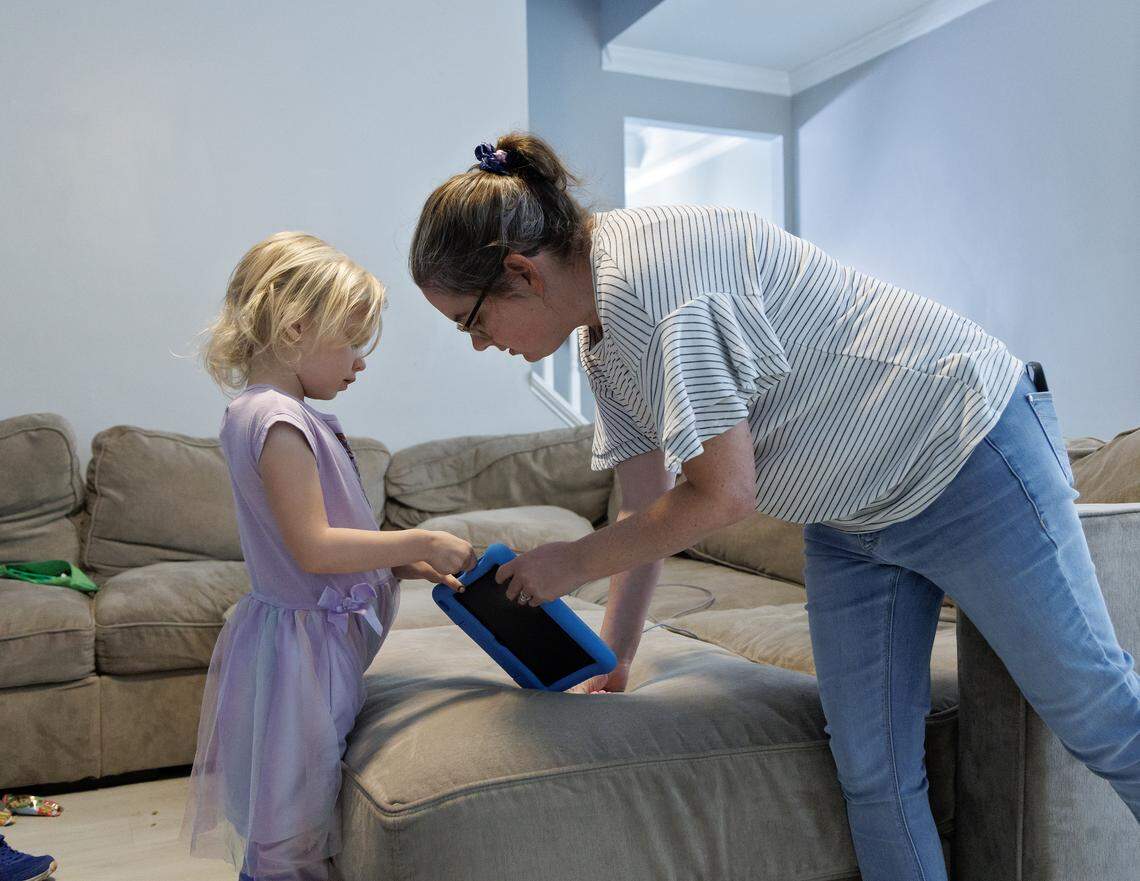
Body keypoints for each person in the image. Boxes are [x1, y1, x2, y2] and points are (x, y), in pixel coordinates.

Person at [409, 134, 1140, 880]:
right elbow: (647, 500)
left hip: (964, 448)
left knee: (1096, 713)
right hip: (851, 518)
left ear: (520, 274)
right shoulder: (601, 342)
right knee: (873, 772)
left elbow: (725, 493)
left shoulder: (658, 286)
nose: (477, 344)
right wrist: (617, 654)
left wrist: (569, 561)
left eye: (470, 322)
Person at [181, 231, 477, 881]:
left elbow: (314, 542)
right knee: (291, 824)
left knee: (300, 803)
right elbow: (314, 547)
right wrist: (419, 540)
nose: (360, 363)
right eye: (351, 343)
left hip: (315, 644)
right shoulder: (277, 421)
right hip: (303, 654)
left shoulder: (275, 413)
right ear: (295, 330)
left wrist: (402, 565)